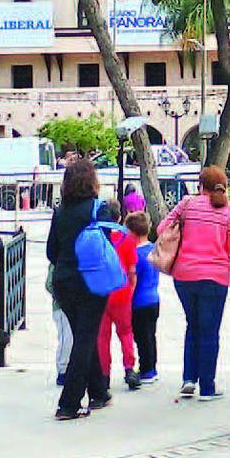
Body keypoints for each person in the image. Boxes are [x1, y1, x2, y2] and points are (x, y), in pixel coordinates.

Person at [160, 166, 230, 400]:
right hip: (215, 278)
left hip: (184, 276)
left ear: (200, 186)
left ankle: (189, 379)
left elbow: (160, 229)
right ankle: (207, 385)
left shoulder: (186, 204)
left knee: (192, 325)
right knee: (209, 331)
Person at [48, 158, 112, 418]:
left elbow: (51, 251)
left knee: (83, 336)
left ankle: (99, 391)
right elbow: (105, 246)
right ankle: (69, 403)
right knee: (84, 339)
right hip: (92, 282)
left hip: (64, 281)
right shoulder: (99, 209)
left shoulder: (60, 211)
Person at [94, 199, 141, 393]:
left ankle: (104, 374)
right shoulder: (127, 238)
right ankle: (129, 368)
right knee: (126, 332)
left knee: (102, 337)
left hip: (101, 291)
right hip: (121, 292)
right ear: (119, 217)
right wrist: (130, 290)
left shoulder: (97, 237)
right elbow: (131, 270)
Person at [126, 211, 161, 385]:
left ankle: (146, 369)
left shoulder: (136, 254)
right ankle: (151, 366)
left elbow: (133, 278)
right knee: (150, 335)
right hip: (153, 298)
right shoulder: (153, 248)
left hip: (139, 301)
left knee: (141, 337)